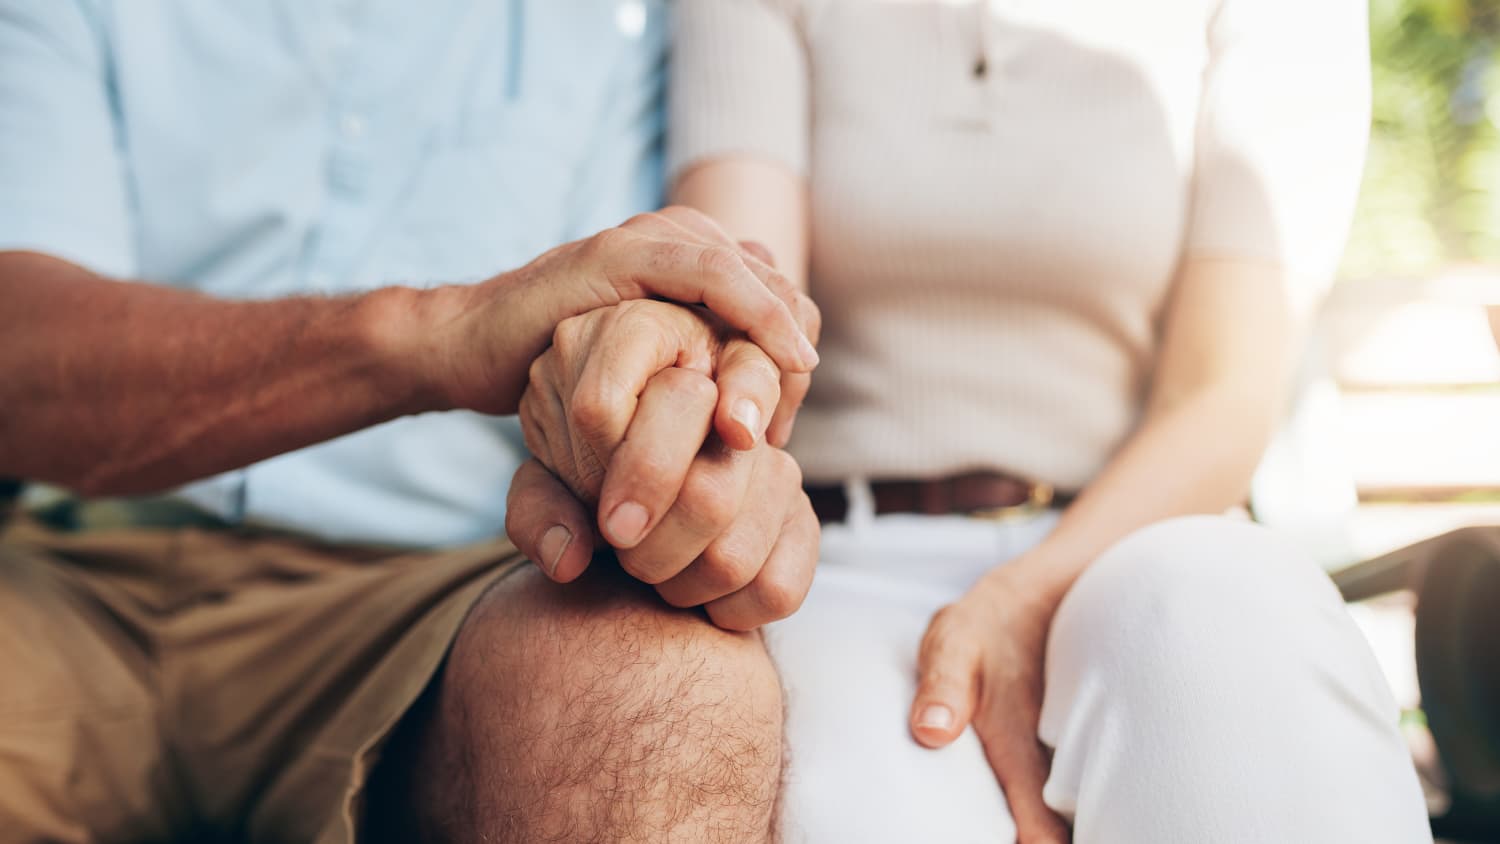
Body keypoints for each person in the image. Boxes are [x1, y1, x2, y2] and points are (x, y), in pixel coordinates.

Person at [0, 2, 820, 842]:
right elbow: (17, 356)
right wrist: (440, 333)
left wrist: (674, 404)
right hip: (75, 577)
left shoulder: (638, 26)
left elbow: (644, 320)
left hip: (437, 594)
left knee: (658, 697)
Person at [666, 0, 1435, 841]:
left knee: (1237, 636)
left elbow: (1225, 393)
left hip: (1139, 537)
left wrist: (1023, 597)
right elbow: (742, 305)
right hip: (838, 564)